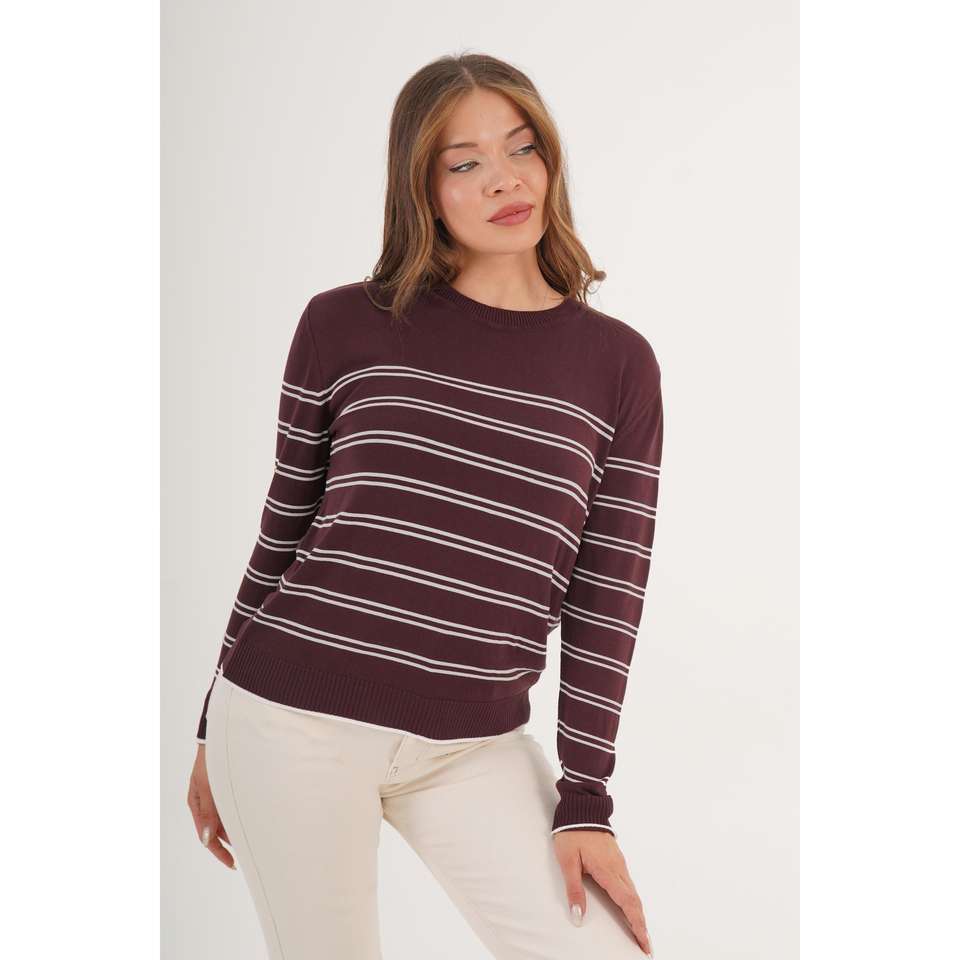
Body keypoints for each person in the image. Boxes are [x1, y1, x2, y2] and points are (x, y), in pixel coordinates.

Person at [186, 51, 663, 960]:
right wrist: (214, 726)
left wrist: (585, 801)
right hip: (292, 722)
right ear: (423, 190)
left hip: (473, 744)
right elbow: (282, 533)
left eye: (522, 148)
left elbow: (608, 596)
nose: (504, 180)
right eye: (464, 162)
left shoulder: (618, 364)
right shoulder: (342, 324)